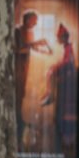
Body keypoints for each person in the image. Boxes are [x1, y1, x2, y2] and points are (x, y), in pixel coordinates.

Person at [14, 11, 52, 145]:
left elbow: (30, 48)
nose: (35, 24)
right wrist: (36, 43)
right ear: (28, 20)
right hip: (17, 71)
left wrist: (42, 49)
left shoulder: (29, 33)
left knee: (21, 95)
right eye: (34, 21)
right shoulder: (18, 31)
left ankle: (19, 118)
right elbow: (18, 49)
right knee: (17, 94)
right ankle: (17, 119)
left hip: (24, 70)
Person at [40, 24, 77, 158]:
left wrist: (55, 67)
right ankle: (49, 93)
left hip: (68, 82)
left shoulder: (69, 48)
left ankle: (49, 93)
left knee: (50, 73)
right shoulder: (67, 48)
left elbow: (68, 62)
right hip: (66, 80)